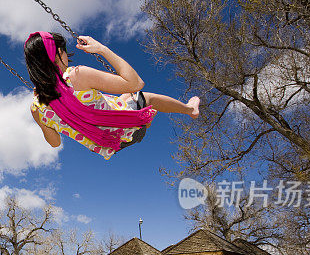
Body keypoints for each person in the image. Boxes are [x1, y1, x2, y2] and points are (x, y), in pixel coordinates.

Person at [24, 31, 200, 160]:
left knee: (124, 98)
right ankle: (190, 109)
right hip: (128, 129)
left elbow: (55, 143)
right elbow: (136, 83)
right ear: (56, 54)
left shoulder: (36, 107)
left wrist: (40, 120)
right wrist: (101, 49)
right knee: (144, 97)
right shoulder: (77, 75)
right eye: (64, 51)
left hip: (108, 145)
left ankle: (141, 117)